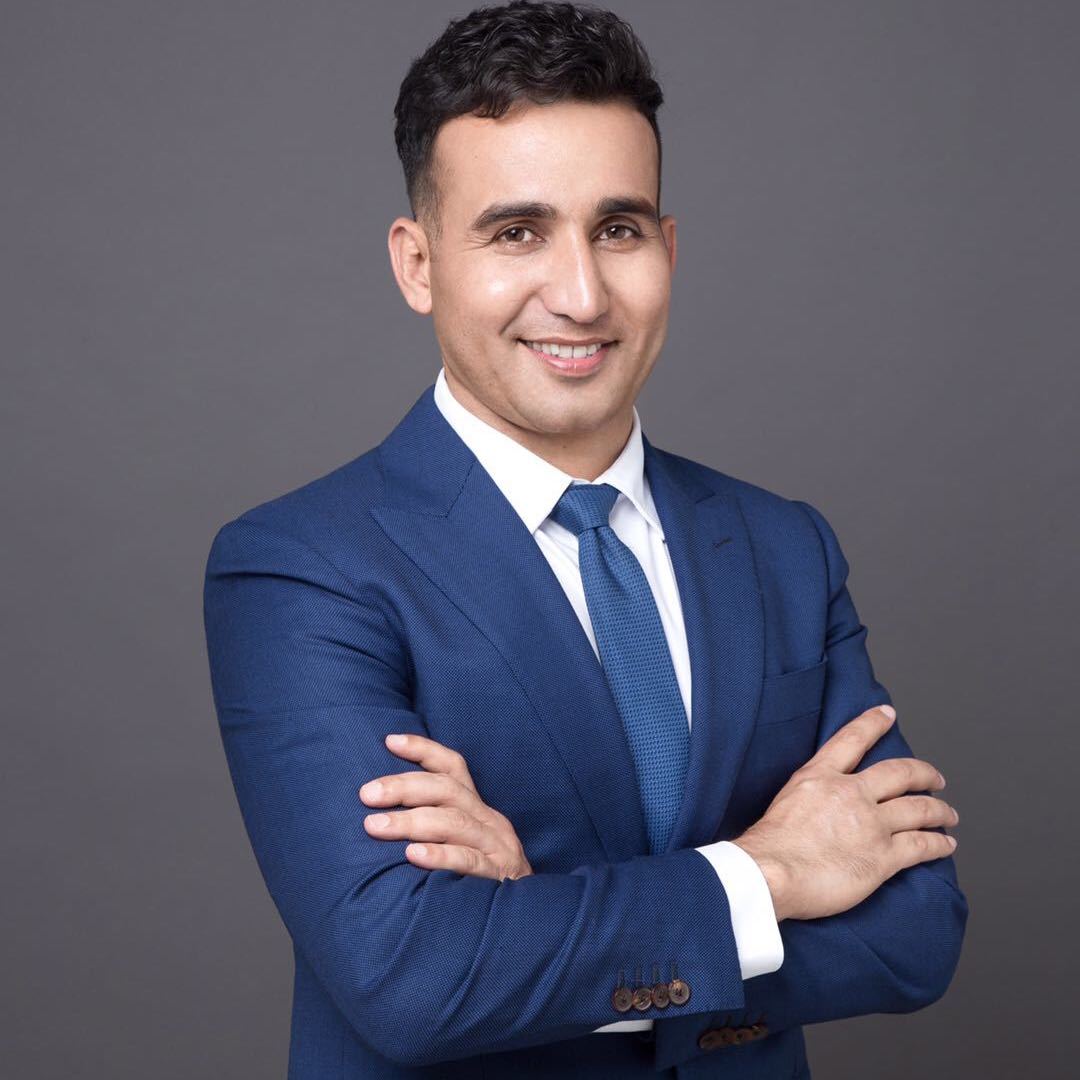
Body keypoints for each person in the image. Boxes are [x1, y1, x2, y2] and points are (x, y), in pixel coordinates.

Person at [202, 2, 968, 1077]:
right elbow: (412, 978)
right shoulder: (300, 569)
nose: (579, 293)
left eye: (617, 229)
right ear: (418, 264)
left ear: (667, 247)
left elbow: (916, 933)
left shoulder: (784, 548)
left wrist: (539, 927)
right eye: (517, 232)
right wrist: (770, 875)